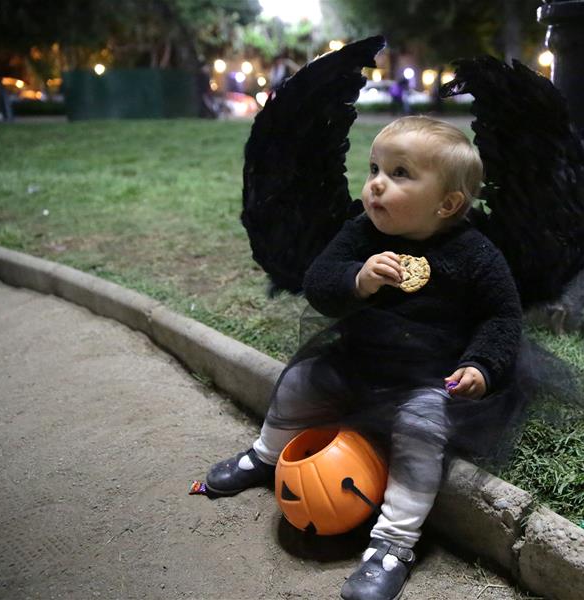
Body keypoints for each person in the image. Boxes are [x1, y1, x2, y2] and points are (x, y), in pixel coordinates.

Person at [206, 116, 523, 600]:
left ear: (448, 203)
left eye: (400, 174)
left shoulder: (475, 254)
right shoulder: (361, 234)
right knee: (300, 382)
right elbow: (319, 281)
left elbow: (502, 318)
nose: (376, 183)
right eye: (374, 168)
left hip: (428, 377)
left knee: (422, 428)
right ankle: (265, 455)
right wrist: (357, 278)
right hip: (357, 359)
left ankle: (393, 544)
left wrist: (481, 364)